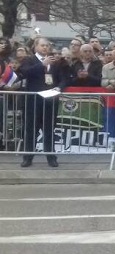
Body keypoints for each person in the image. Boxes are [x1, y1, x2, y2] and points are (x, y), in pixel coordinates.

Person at [17, 37, 68, 167]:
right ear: (36, 47)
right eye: (42, 45)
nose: (45, 48)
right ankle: (28, 157)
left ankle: (51, 157)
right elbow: (24, 73)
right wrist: (42, 65)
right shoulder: (29, 60)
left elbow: (63, 79)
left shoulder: (55, 62)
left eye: (47, 46)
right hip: (33, 101)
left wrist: (59, 87)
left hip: (50, 101)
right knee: (31, 130)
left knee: (49, 130)